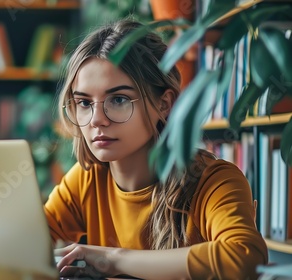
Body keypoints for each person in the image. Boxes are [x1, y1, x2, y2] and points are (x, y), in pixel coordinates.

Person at [44, 18, 268, 279]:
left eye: (118, 99)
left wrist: (112, 259)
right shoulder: (86, 182)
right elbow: (21, 247)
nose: (96, 120)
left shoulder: (214, 182)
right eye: (84, 103)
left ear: (164, 104)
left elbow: (244, 260)